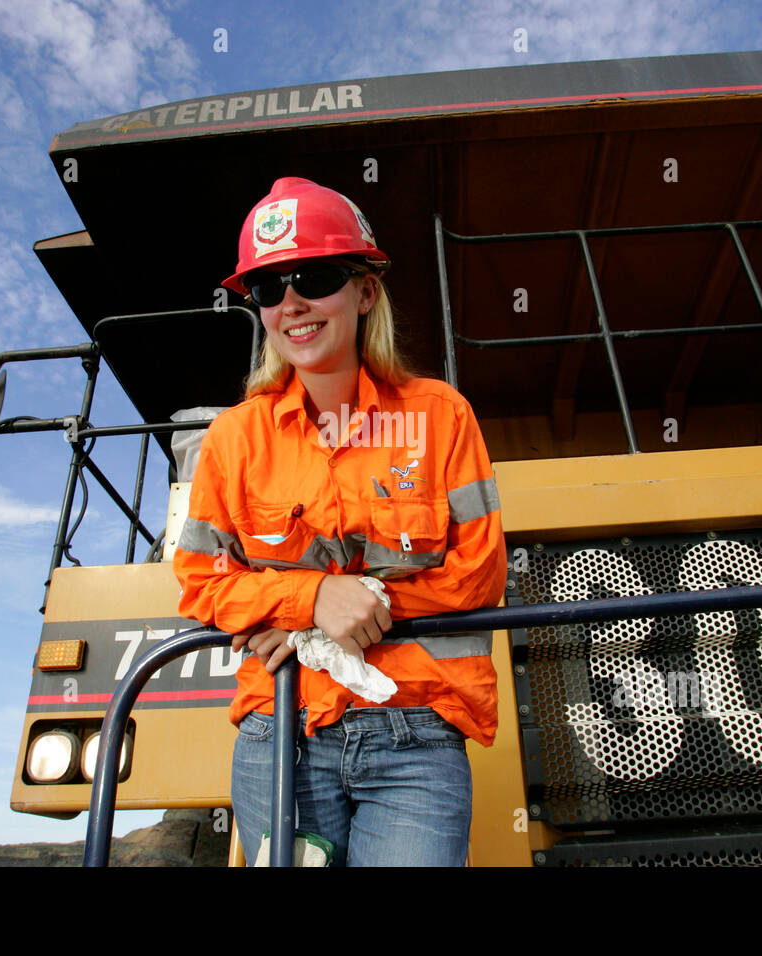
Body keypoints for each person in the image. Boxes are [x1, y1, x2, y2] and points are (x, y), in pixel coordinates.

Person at [172, 177, 506, 866]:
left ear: (364, 291)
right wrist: (313, 601)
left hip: (415, 738)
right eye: (269, 288)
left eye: (314, 276)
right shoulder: (234, 440)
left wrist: (346, 610)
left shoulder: (441, 417)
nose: (291, 302)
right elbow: (201, 580)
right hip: (280, 732)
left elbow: (478, 574)